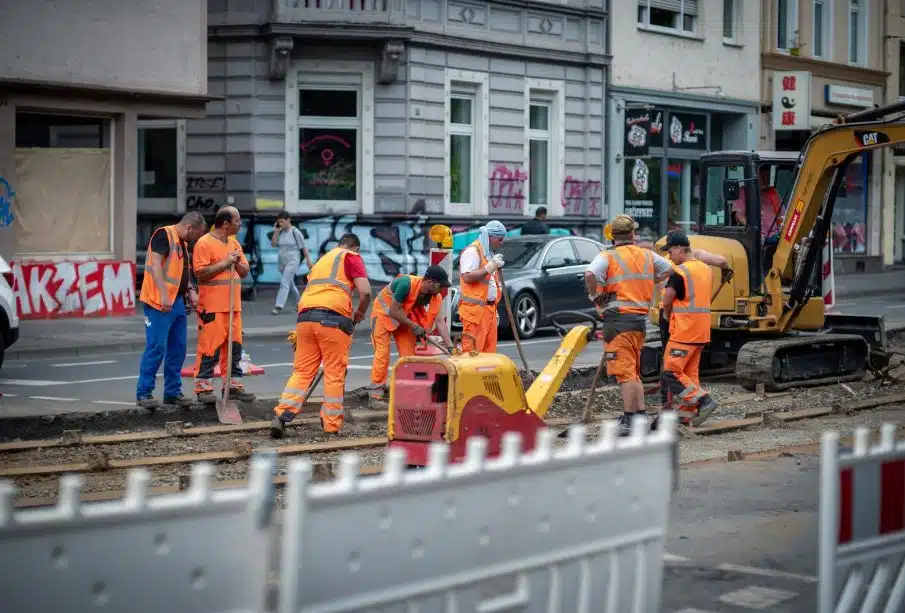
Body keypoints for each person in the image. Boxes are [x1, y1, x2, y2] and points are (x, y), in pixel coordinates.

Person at [271, 233, 372, 437]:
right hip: (333, 319)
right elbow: (366, 291)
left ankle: (281, 416)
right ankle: (331, 425)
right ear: (356, 248)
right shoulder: (351, 257)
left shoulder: (321, 261)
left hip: (305, 318)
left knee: (302, 372)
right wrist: (360, 312)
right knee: (334, 373)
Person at [584, 215, 673, 436]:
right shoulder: (646, 255)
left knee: (625, 373)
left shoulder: (607, 257)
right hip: (638, 322)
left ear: (613, 236)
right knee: (633, 371)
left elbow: (589, 274)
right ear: (633, 234)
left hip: (618, 321)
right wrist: (651, 280)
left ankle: (630, 418)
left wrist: (596, 297)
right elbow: (670, 269)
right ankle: (640, 415)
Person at [135, 212, 207, 410]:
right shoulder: (163, 235)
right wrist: (164, 293)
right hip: (159, 302)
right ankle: (144, 392)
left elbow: (183, 272)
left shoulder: (181, 243)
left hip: (176, 302)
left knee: (178, 348)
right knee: (156, 347)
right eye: (196, 236)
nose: (196, 241)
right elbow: (156, 265)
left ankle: (172, 392)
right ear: (189, 228)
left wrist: (191, 290)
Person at [658, 230, 724, 427]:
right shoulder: (705, 269)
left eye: (670, 251)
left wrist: (666, 314)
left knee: (671, 371)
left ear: (679, 248)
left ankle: (703, 400)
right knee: (689, 373)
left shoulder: (680, 272)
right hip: (701, 331)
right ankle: (689, 412)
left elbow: (668, 297)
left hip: (684, 331)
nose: (669, 256)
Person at [191, 206, 256, 404]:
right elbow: (200, 273)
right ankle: (203, 388)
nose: (241, 223)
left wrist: (235, 262)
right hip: (212, 307)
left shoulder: (234, 243)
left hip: (233, 307)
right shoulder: (204, 243)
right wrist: (226, 261)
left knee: (235, 348)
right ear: (226, 224)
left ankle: (234, 386)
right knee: (209, 348)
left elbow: (244, 271)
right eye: (237, 220)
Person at [367, 266, 456, 408]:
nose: (442, 290)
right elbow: (394, 311)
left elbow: (439, 321)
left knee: (408, 356)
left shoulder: (435, 296)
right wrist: (414, 326)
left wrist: (450, 346)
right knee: (382, 355)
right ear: (430, 283)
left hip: (403, 317)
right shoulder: (405, 284)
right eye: (441, 286)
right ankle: (375, 395)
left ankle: (405, 392)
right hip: (382, 315)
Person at [458, 220, 507, 353]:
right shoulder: (473, 252)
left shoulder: (488, 253)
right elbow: (467, 277)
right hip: (475, 314)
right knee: (472, 354)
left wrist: (494, 308)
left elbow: (490, 284)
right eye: (500, 239)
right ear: (489, 237)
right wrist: (490, 267)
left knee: (488, 354)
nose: (502, 242)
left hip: (488, 311)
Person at [271, 211, 315, 315]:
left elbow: (303, 247)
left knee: (284, 282)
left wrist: (308, 261)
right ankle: (300, 304)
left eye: (282, 222)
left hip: (293, 260)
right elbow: (273, 244)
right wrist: (276, 231)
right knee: (290, 284)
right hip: (282, 260)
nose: (280, 224)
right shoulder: (280, 232)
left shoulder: (295, 232)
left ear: (288, 220)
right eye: (279, 222)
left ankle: (278, 306)